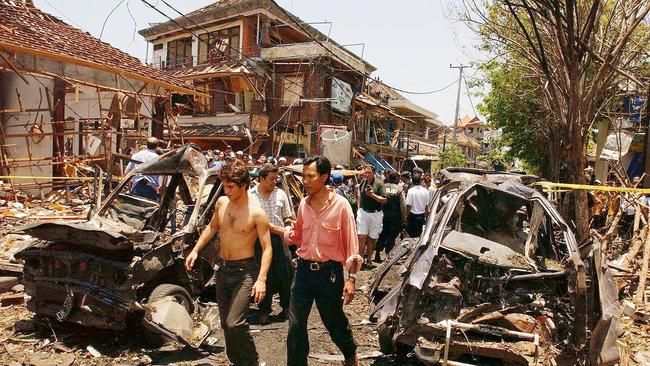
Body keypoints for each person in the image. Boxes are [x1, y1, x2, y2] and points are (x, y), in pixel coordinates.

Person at [185, 160, 272, 366]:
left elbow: (268, 248)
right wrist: (195, 250)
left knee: (235, 323)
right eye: (224, 185)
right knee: (225, 324)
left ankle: (252, 361)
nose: (226, 190)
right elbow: (211, 228)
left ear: (244, 185)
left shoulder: (257, 213)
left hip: (245, 272)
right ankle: (236, 361)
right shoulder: (222, 203)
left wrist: (261, 280)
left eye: (230, 186)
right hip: (223, 270)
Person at [284, 156, 361, 366]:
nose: (304, 181)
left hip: (330, 274)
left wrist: (351, 278)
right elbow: (298, 236)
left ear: (324, 177)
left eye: (310, 177)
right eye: (304, 176)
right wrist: (285, 233)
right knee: (296, 324)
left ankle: (349, 351)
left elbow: (352, 244)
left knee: (333, 320)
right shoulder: (303, 204)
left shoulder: (341, 206)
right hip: (303, 272)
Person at [249, 163, 294, 324]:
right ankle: (264, 310)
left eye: (276, 178)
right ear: (261, 178)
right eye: (271, 178)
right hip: (258, 240)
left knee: (286, 273)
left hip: (279, 240)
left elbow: (288, 216)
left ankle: (287, 307)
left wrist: (288, 227)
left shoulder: (281, 194)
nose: (275, 181)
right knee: (263, 275)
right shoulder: (250, 196)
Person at [357, 165, 387, 267]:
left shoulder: (379, 184)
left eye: (369, 173)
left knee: (372, 239)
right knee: (361, 236)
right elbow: (359, 195)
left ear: (374, 173)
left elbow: (384, 200)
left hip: (375, 214)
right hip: (363, 212)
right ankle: (360, 259)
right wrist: (359, 208)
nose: (367, 175)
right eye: (365, 172)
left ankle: (369, 259)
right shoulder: (363, 182)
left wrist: (372, 195)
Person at [374, 170, 406, 262]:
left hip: (383, 215)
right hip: (395, 217)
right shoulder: (400, 189)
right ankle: (388, 254)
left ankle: (377, 253)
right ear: (396, 179)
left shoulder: (383, 187)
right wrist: (404, 218)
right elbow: (403, 205)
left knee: (382, 234)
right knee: (392, 236)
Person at [125, 137, 161, 201]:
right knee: (149, 209)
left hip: (136, 187)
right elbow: (162, 176)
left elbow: (127, 172)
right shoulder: (158, 158)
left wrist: (130, 185)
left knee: (135, 209)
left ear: (147, 144)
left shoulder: (136, 155)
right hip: (151, 188)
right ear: (157, 146)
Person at [405, 174, 430, 238]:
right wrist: (426, 217)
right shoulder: (425, 191)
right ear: (421, 181)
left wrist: (405, 217)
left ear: (412, 181)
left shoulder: (411, 191)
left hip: (412, 216)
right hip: (421, 216)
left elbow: (408, 206)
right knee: (419, 235)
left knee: (411, 235)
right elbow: (426, 206)